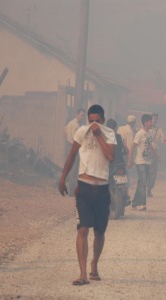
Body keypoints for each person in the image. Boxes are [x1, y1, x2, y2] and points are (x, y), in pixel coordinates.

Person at [58, 104, 116, 286]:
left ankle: (94, 265)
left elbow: (110, 156)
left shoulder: (109, 134)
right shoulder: (81, 132)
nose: (93, 124)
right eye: (91, 121)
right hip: (84, 186)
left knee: (99, 231)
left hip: (102, 188)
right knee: (83, 229)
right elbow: (72, 155)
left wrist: (99, 135)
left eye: (97, 121)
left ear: (103, 120)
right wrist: (63, 178)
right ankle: (82, 273)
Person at [147, 113, 166, 197]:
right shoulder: (145, 129)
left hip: (154, 154)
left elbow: (164, 140)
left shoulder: (159, 130)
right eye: (152, 118)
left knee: (153, 173)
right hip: (145, 153)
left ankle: (149, 189)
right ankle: (144, 189)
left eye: (155, 119)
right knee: (145, 172)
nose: (154, 120)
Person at [127, 114, 153, 211]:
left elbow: (150, 146)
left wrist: (155, 156)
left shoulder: (149, 133)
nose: (151, 123)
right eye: (150, 121)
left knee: (142, 182)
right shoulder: (140, 133)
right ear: (145, 122)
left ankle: (135, 202)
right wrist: (130, 160)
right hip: (140, 162)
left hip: (148, 162)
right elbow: (132, 147)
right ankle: (141, 203)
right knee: (143, 182)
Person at [106, 118, 128, 219]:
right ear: (115, 128)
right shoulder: (119, 137)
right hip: (120, 164)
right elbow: (126, 149)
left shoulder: (104, 137)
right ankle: (124, 201)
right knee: (123, 183)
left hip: (109, 164)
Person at [64, 108, 85, 196]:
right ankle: (71, 191)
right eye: (81, 115)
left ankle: (69, 188)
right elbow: (75, 139)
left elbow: (64, 130)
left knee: (72, 168)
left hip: (70, 147)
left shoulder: (71, 123)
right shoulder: (75, 125)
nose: (82, 117)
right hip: (74, 147)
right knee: (74, 169)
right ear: (77, 114)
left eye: (83, 115)